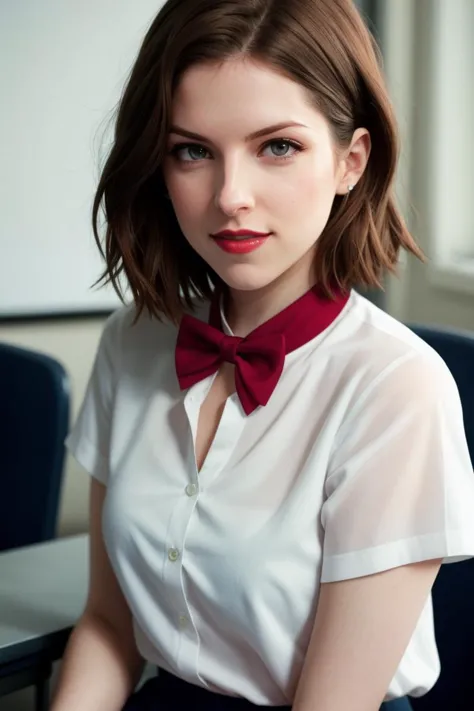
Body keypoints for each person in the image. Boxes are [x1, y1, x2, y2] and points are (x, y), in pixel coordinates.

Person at [50, 0, 474, 710]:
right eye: (193, 150)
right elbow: (108, 623)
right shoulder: (133, 340)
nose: (230, 197)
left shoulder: (397, 387)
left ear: (350, 160)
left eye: (277, 146)